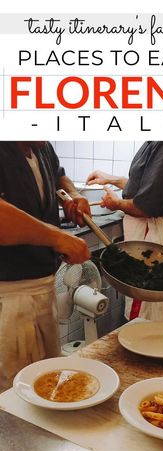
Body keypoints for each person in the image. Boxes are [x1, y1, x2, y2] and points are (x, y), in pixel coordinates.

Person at [0, 141, 91, 391]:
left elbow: (58, 175)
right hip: (9, 296)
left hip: (43, 286)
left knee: (46, 379)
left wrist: (74, 195)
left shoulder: (41, 146)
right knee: (12, 392)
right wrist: (57, 237)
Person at [87, 141, 163, 322]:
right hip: (147, 229)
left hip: (151, 230)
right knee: (144, 304)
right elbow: (148, 187)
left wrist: (116, 203)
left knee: (145, 307)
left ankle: (146, 347)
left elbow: (145, 207)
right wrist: (111, 179)